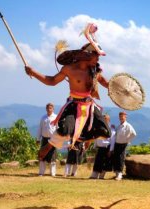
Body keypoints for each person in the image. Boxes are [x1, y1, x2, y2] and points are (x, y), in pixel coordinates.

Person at [24, 23, 111, 158]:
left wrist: (121, 89)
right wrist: (34, 73)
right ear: (87, 56)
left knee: (105, 131)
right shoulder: (69, 69)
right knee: (64, 129)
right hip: (73, 105)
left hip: (90, 106)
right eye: (96, 56)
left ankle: (82, 140)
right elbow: (52, 81)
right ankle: (50, 145)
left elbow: (106, 83)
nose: (98, 59)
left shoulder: (94, 71)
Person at [89, 114, 116, 179]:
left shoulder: (111, 129)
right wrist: (95, 146)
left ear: (108, 120)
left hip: (107, 148)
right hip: (100, 148)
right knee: (97, 162)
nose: (104, 120)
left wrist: (111, 150)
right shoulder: (100, 127)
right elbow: (96, 138)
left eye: (106, 119)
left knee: (105, 162)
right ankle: (94, 175)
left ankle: (101, 176)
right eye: (103, 119)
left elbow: (113, 140)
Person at [113, 111, 137, 181]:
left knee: (121, 158)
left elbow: (134, 134)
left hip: (123, 144)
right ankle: (117, 173)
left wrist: (127, 140)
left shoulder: (128, 125)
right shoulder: (119, 126)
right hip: (117, 144)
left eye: (122, 116)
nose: (121, 118)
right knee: (116, 158)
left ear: (125, 117)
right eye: (120, 116)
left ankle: (120, 174)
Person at [37, 103, 57, 176]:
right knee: (42, 156)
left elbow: (58, 129)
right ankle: (41, 172)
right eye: (48, 108)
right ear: (46, 109)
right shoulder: (43, 118)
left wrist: (58, 139)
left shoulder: (56, 117)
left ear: (53, 109)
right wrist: (38, 139)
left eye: (50, 108)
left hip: (53, 139)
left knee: (53, 156)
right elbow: (40, 128)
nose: (49, 109)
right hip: (44, 139)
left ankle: (53, 173)